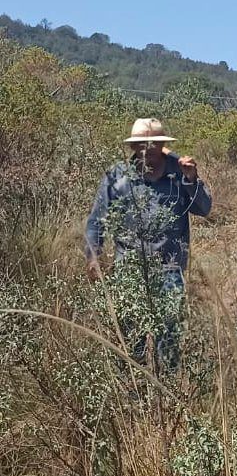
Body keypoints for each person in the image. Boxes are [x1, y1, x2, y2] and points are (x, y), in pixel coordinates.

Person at [85, 118, 211, 371]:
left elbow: (204, 208)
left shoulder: (180, 172)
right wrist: (93, 258)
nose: (148, 150)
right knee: (131, 343)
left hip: (170, 271)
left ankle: (169, 395)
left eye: (154, 145)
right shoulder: (117, 177)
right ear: (134, 147)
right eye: (142, 145)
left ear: (162, 146)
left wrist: (191, 180)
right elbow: (97, 221)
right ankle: (135, 398)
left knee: (169, 342)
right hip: (128, 271)